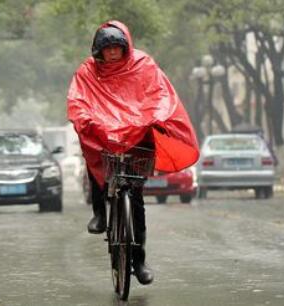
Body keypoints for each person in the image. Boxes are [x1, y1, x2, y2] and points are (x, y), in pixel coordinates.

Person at [67, 21, 199, 285]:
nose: (113, 53)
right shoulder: (87, 71)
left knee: (135, 199)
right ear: (98, 51)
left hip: (138, 136)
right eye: (108, 49)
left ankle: (139, 260)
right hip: (104, 136)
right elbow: (78, 100)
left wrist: (157, 117)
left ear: (125, 47)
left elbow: (161, 95)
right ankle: (99, 214)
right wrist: (87, 120)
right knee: (95, 160)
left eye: (117, 48)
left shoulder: (144, 65)